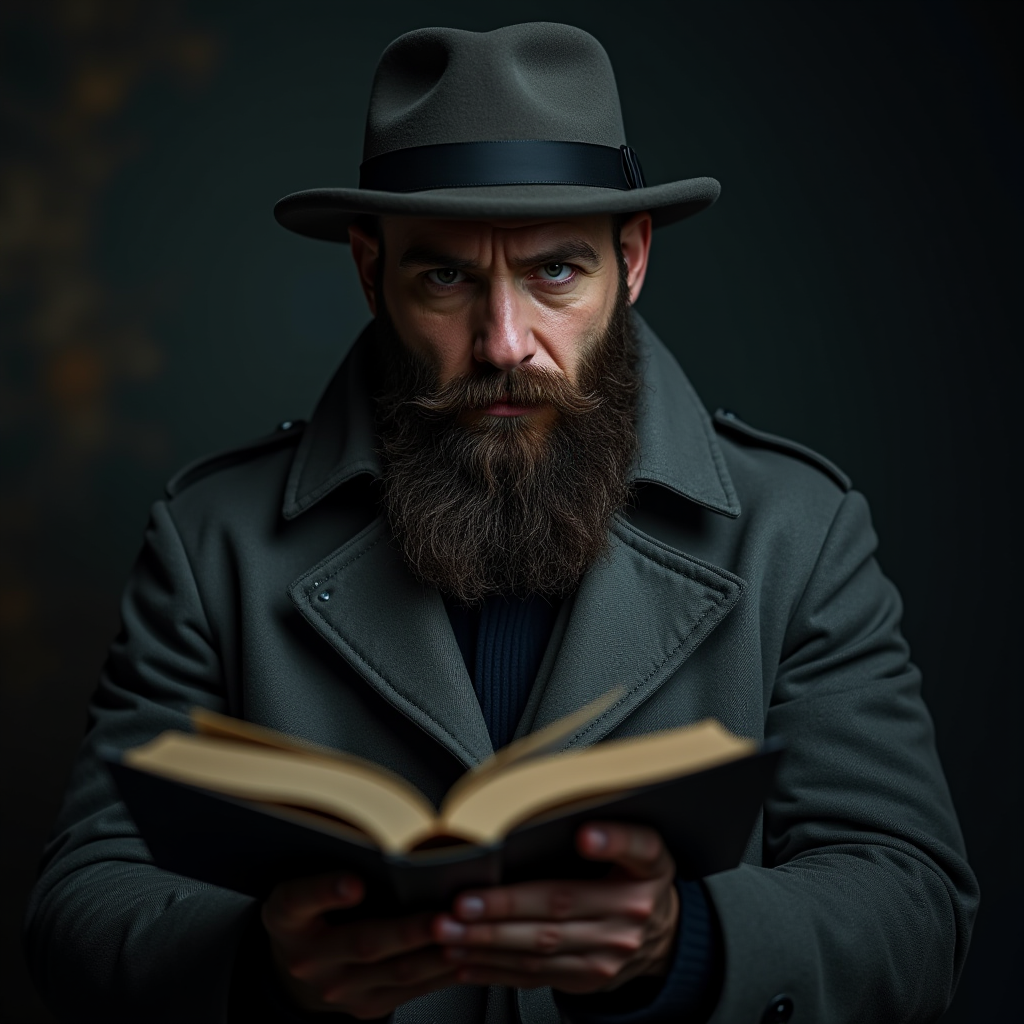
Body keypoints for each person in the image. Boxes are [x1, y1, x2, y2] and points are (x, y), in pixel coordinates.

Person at [25, 21, 977, 1024]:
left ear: (633, 259)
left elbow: (913, 909)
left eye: (555, 272)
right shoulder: (210, 540)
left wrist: (681, 942)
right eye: (444, 277)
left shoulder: (800, 531)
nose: (503, 341)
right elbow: (80, 905)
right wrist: (267, 970)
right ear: (367, 269)